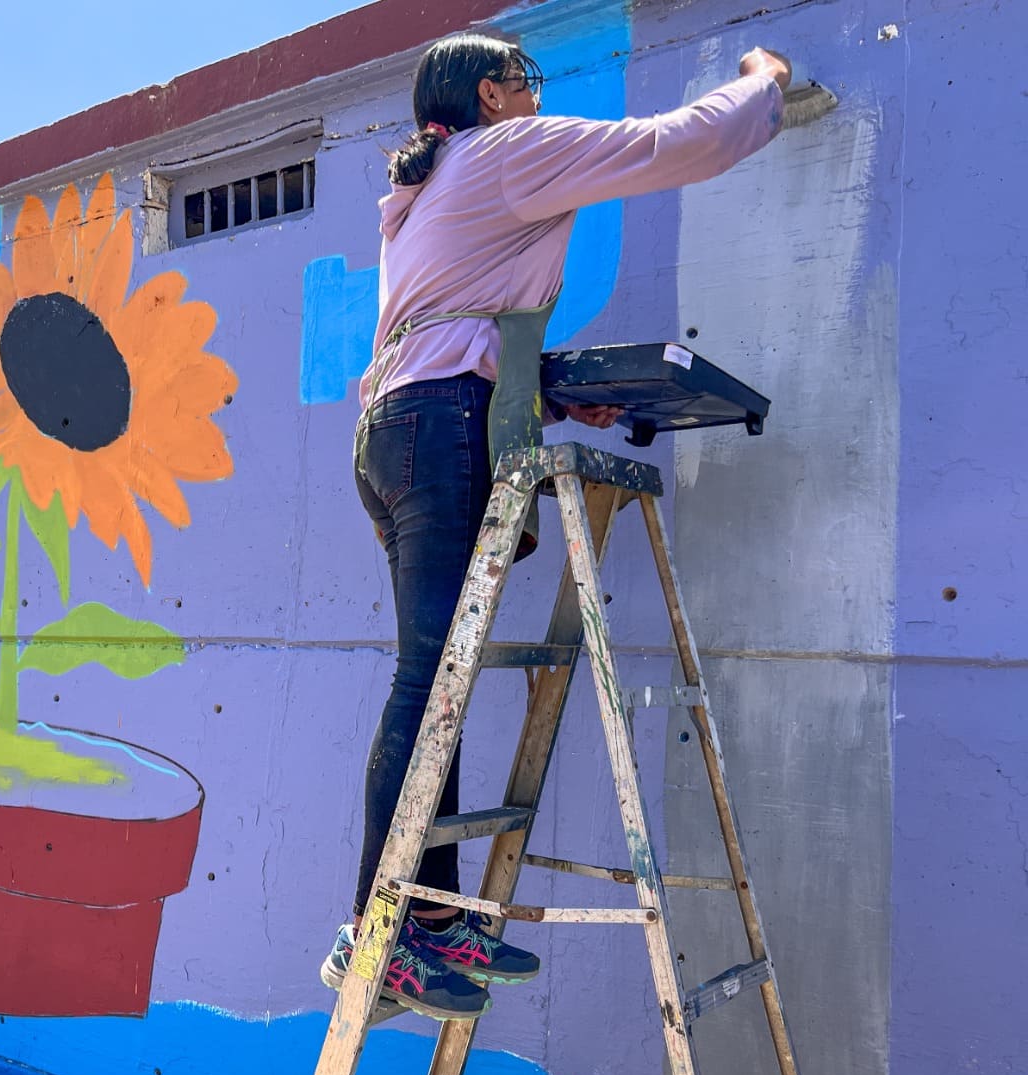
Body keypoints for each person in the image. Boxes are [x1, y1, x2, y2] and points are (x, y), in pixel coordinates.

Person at [324, 34, 792, 1019]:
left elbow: (448, 319)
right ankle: (378, 935)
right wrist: (764, 82)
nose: (537, 101)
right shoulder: (501, 151)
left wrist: (536, 390)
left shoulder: (434, 181)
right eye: (526, 85)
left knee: (438, 677)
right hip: (437, 427)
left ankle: (431, 915)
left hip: (403, 430)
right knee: (428, 680)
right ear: (490, 95)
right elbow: (675, 144)